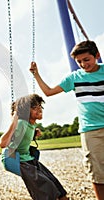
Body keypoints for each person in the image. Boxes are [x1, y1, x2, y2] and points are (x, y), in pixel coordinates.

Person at [29, 40, 104, 200]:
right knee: (97, 172)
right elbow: (48, 92)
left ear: (97, 55)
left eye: (87, 59)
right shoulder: (75, 77)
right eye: (79, 62)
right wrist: (36, 74)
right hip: (91, 131)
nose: (83, 64)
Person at [0, 94, 69, 200]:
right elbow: (3, 144)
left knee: (56, 185)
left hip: (28, 159)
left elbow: (21, 139)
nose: (39, 108)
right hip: (15, 159)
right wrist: (14, 123)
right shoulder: (21, 123)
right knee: (47, 187)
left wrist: (33, 134)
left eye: (39, 106)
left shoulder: (31, 125)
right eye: (34, 107)